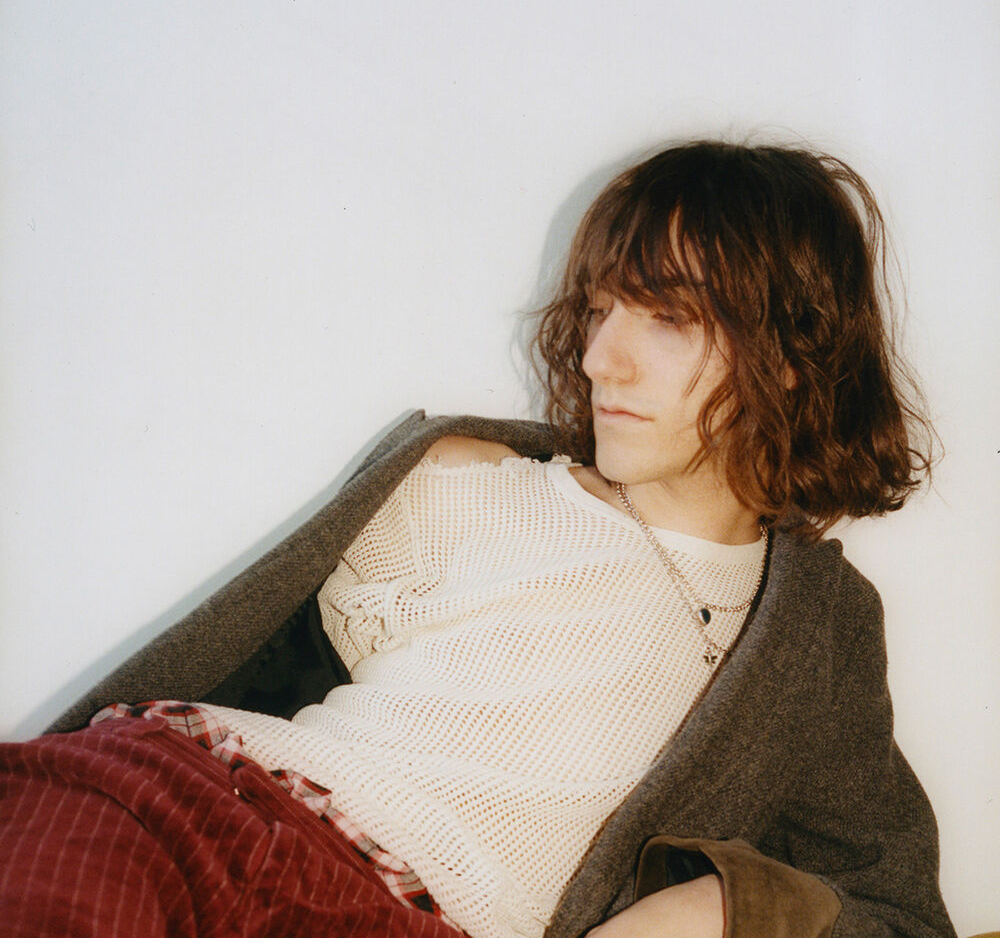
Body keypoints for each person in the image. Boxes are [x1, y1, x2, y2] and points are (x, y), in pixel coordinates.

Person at [0, 140, 955, 938]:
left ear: (791, 355)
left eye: (668, 318)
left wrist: (718, 907)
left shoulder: (816, 635)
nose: (599, 358)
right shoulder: (471, 483)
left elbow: (899, 913)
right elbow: (286, 654)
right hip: (186, 807)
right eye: (599, 310)